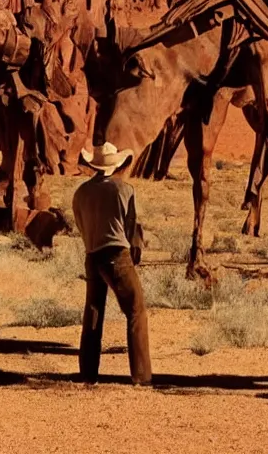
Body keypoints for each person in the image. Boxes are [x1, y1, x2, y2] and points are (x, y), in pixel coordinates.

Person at [73, 142, 152, 385]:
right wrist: (134, 251)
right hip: (117, 255)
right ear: (116, 164)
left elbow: (79, 224)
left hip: (92, 254)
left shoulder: (81, 193)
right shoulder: (124, 190)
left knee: (94, 312)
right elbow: (131, 227)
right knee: (136, 311)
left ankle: (88, 373)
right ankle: (142, 376)